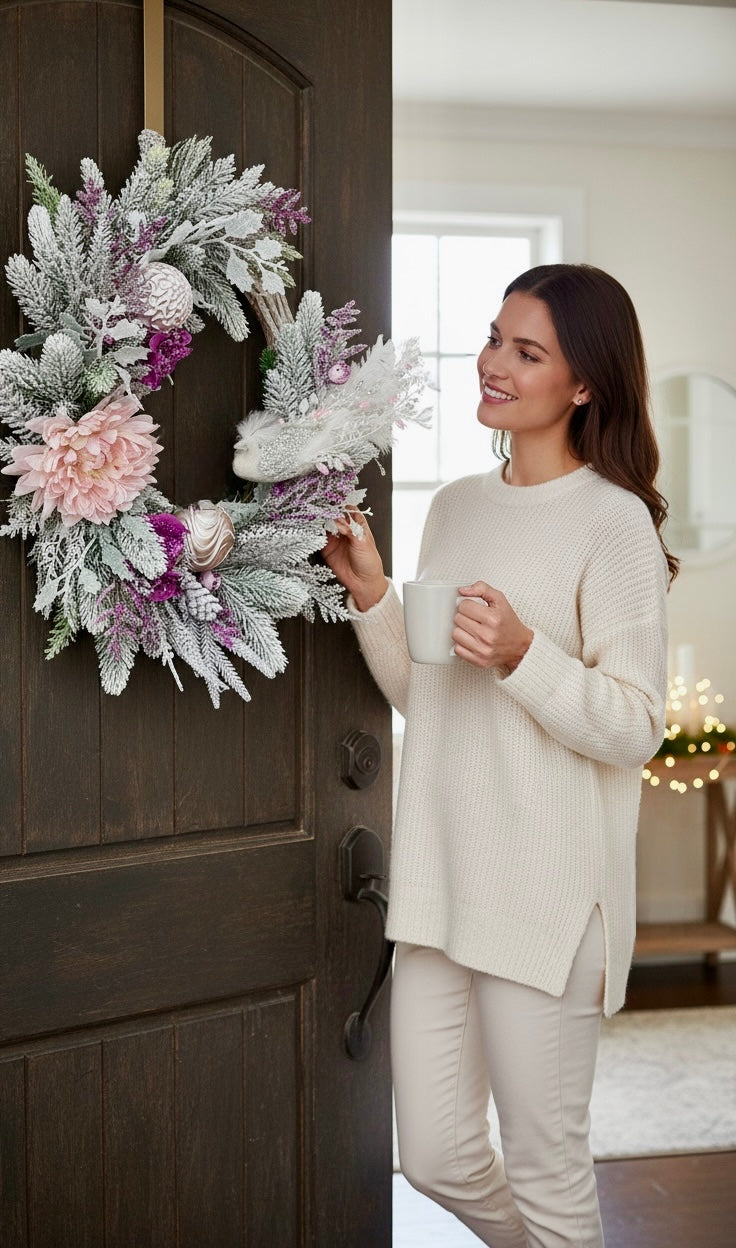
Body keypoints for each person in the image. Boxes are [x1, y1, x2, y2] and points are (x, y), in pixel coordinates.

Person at [322, 264, 676, 1248]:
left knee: (548, 1174)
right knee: (435, 1156)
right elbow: (430, 700)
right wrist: (372, 596)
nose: (493, 364)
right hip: (443, 883)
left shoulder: (614, 523)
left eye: (527, 352)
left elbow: (637, 725)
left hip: (547, 897)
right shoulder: (455, 507)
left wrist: (525, 655)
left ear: (584, 383)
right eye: (493, 338)